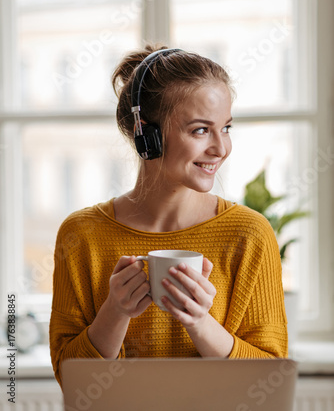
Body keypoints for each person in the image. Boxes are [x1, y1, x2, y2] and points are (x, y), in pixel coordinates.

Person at [49, 45, 288, 386]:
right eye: (200, 130)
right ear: (146, 135)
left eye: (226, 128)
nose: (221, 148)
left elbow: (270, 381)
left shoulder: (250, 234)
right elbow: (71, 381)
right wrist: (114, 313)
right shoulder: (81, 235)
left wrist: (200, 323)